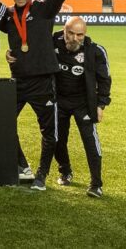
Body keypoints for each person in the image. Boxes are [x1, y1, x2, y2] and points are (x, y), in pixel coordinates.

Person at [2, 0, 68, 191]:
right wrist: (9, 51)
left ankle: (42, 174)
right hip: (18, 79)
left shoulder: (43, 9)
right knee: (4, 123)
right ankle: (22, 165)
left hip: (42, 80)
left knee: (48, 131)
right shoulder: (7, 16)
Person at [51, 16, 111, 198]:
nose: (75, 38)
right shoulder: (52, 42)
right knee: (57, 140)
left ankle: (96, 184)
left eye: (80, 35)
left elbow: (104, 79)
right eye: (71, 33)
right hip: (59, 102)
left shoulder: (95, 51)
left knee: (90, 142)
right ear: (64, 31)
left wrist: (101, 104)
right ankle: (65, 171)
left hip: (83, 103)